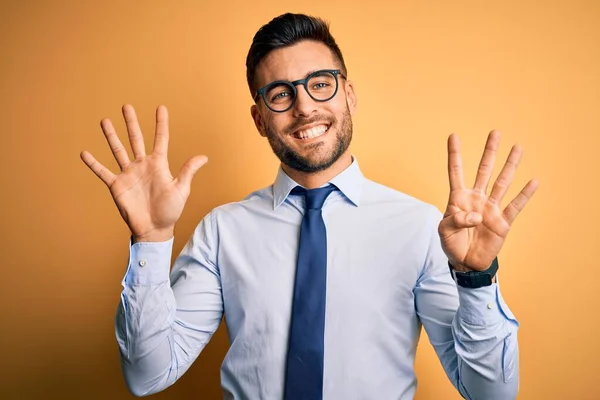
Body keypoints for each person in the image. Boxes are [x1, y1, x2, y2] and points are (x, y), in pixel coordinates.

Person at [80, 13, 538, 400]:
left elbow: (490, 392)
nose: (304, 107)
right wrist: (152, 241)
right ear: (260, 118)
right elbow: (147, 375)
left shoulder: (421, 228)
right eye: (280, 93)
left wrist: (476, 280)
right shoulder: (223, 231)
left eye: (320, 84)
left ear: (349, 95)